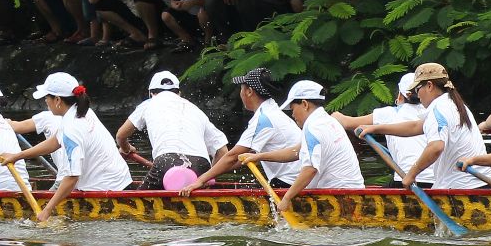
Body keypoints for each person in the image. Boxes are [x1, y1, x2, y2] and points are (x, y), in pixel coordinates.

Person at [0, 72, 132, 222]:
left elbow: (72, 177)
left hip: (105, 191)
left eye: (47, 98)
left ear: (57, 100)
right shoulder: (80, 111)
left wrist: (47, 210)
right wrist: (17, 156)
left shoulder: (72, 128)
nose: (45, 102)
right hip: (121, 182)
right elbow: (55, 141)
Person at [239, 79, 364, 216]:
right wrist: (260, 156)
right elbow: (296, 151)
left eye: (293, 109)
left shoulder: (313, 128)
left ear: (304, 104)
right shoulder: (328, 121)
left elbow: (310, 169)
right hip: (354, 192)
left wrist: (286, 198)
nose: (292, 115)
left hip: (338, 197)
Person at [357, 62, 487, 191]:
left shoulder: (438, 110)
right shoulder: (455, 105)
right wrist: (375, 128)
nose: (417, 95)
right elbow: (415, 127)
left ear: (429, 86)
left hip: (461, 188)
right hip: (478, 183)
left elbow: (436, 147)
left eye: (417, 89)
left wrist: (411, 174)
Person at [179, 66, 303, 194]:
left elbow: (232, 156)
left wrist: (200, 180)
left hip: (290, 182)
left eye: (241, 88)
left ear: (249, 91)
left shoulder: (264, 119)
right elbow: (240, 158)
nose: (241, 93)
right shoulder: (272, 112)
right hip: (298, 179)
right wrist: (209, 176)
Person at [116, 71, 228, 189]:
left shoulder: (148, 104)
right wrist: (207, 177)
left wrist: (126, 149)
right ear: (179, 93)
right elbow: (222, 151)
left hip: (166, 161)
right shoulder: (195, 109)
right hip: (201, 164)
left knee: (137, 203)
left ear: (151, 93)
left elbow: (120, 136)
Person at [334, 73, 434, 185]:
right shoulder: (432, 113)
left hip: (406, 180)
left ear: (400, 96)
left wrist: (334, 114)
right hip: (436, 181)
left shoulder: (389, 113)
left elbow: (347, 123)